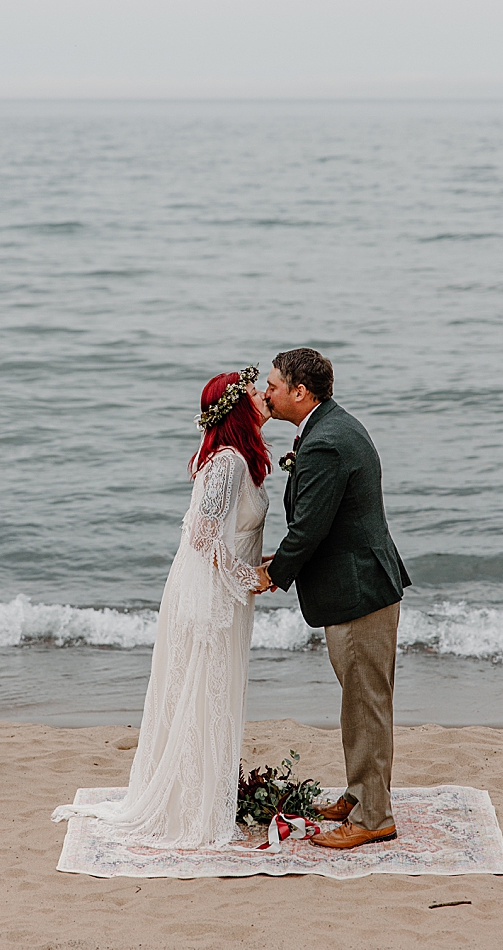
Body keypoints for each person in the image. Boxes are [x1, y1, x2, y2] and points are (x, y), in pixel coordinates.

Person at [53, 368, 273, 847]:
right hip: (212, 593)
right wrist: (249, 577)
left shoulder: (236, 459)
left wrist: (266, 564)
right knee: (203, 686)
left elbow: (231, 534)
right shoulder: (230, 462)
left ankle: (204, 795)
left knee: (210, 688)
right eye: (255, 391)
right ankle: (192, 807)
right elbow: (202, 536)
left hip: (224, 587)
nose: (263, 396)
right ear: (237, 407)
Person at [253, 348, 412, 849]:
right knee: (360, 702)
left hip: (358, 590)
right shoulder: (334, 425)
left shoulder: (325, 443)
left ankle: (373, 819)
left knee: (366, 705)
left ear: (301, 391)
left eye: (274, 385)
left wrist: (273, 574)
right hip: (361, 583)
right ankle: (361, 795)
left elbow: (309, 528)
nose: (266, 393)